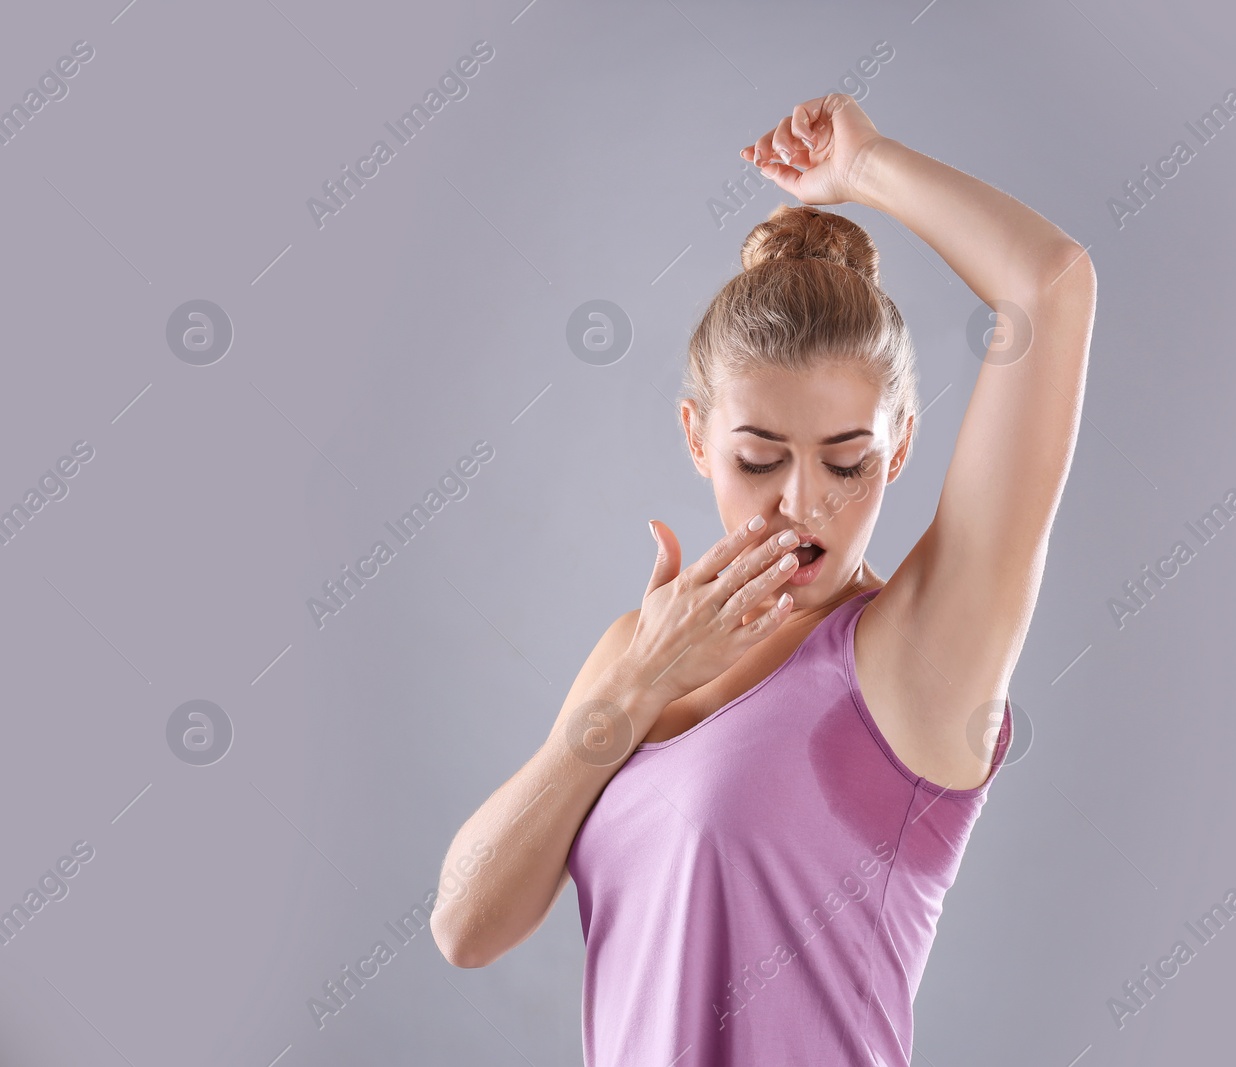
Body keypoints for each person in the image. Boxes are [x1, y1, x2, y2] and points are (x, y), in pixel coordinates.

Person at [430, 92, 1096, 1065]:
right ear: (698, 437)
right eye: (758, 457)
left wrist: (862, 167)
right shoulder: (639, 649)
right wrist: (634, 685)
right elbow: (465, 924)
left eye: (845, 460)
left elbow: (1051, 286)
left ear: (900, 447)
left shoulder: (916, 653)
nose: (803, 504)